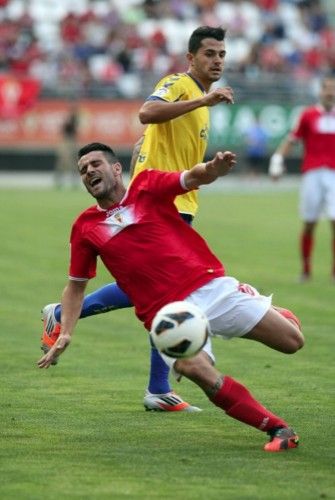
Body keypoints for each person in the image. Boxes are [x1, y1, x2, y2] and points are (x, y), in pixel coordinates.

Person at [38, 143, 304, 453]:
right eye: (83, 170)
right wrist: (66, 331)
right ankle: (278, 429)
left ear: (116, 169)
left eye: (95, 164)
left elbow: (191, 177)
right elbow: (75, 287)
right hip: (169, 316)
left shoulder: (147, 186)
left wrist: (212, 170)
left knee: (292, 342)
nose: (89, 172)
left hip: (210, 287)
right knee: (194, 369)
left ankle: (257, 302)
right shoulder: (85, 228)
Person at [40, 26, 234, 412]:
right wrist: (202, 102)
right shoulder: (181, 84)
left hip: (176, 198)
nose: (217, 61)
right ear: (191, 58)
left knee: (158, 291)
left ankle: (156, 387)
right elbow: (146, 112)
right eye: (209, 54)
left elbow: (146, 135)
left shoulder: (196, 97)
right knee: (167, 291)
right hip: (164, 203)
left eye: (222, 55)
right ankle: (156, 386)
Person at [268, 75, 335, 282]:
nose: (330, 92)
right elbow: (292, 139)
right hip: (312, 174)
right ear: (320, 91)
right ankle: (306, 270)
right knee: (309, 222)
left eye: (333, 89)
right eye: (327, 88)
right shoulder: (308, 115)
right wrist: (277, 160)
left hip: (333, 174)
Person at [54, 106, 80, 189]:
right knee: (64, 163)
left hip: (70, 141)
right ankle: (60, 181)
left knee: (70, 163)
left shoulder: (73, 121)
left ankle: (73, 182)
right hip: (67, 142)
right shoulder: (70, 121)